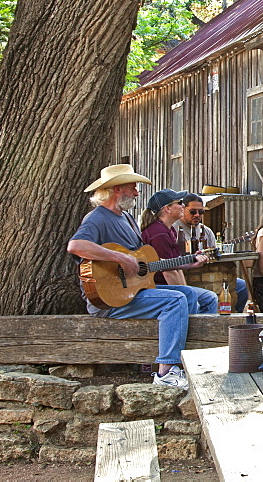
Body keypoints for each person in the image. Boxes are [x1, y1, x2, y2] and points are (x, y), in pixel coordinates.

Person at [67, 165, 214, 388]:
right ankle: (165, 372)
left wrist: (188, 262)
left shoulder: (126, 218)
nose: (137, 193)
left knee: (189, 294)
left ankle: (185, 363)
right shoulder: (97, 218)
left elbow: (144, 263)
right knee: (174, 300)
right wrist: (119, 258)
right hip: (109, 298)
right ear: (117, 189)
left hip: (134, 291)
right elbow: (76, 246)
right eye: (133, 188)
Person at [139, 189, 219, 314]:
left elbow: (175, 264)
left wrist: (191, 262)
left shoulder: (169, 230)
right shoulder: (158, 234)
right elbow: (168, 272)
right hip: (159, 286)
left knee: (209, 297)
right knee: (201, 298)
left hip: (168, 286)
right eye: (179, 202)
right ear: (167, 209)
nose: (183, 206)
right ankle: (193, 330)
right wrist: (187, 294)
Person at [174, 192, 248, 311]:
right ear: (183, 209)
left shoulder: (206, 231)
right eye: (193, 212)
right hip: (186, 276)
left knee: (242, 287)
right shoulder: (174, 229)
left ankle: (233, 318)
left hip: (210, 274)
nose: (197, 215)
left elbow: (214, 253)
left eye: (201, 212)